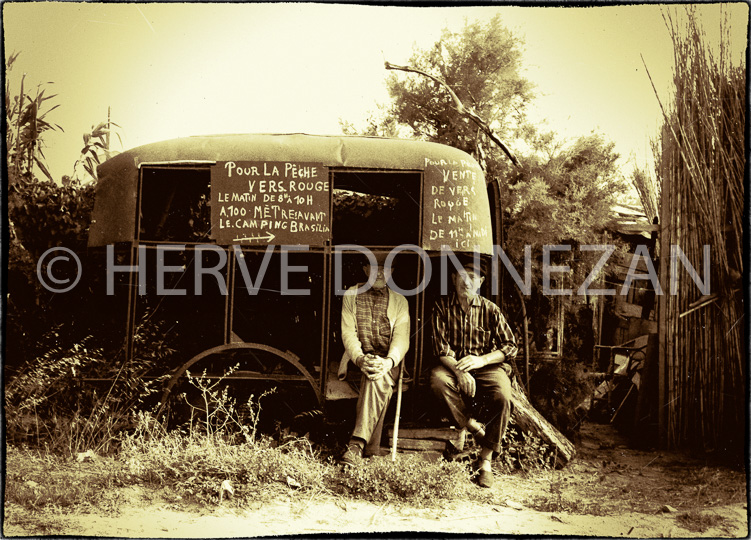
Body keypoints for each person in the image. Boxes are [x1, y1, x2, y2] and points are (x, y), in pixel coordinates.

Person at [430, 259, 518, 488]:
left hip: (485, 367)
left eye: (472, 277)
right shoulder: (442, 306)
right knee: (439, 382)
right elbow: (440, 348)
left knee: (503, 395)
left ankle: (485, 460)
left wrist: (482, 360)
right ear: (452, 279)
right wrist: (460, 370)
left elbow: (510, 346)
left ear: (480, 282)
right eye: (460, 275)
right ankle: (472, 425)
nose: (465, 281)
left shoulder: (490, 309)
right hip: (452, 366)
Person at [338, 253, 410, 467]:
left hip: (389, 362)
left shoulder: (400, 301)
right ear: (365, 270)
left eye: (385, 268)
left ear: (392, 273)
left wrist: (388, 362)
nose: (380, 273)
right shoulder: (351, 294)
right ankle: (371, 450)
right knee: (375, 376)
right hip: (358, 359)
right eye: (374, 267)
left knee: (376, 377)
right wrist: (360, 359)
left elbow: (401, 339)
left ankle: (356, 444)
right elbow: (348, 333)